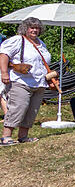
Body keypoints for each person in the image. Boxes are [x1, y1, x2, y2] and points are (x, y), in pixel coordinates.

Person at [0, 17, 55, 146]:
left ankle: (23, 136)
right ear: (25, 28)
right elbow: (3, 55)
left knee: (32, 110)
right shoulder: (17, 40)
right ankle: (5, 137)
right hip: (20, 81)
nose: (35, 30)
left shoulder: (41, 43)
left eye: (37, 28)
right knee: (18, 108)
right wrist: (4, 73)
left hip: (39, 83)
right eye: (32, 27)